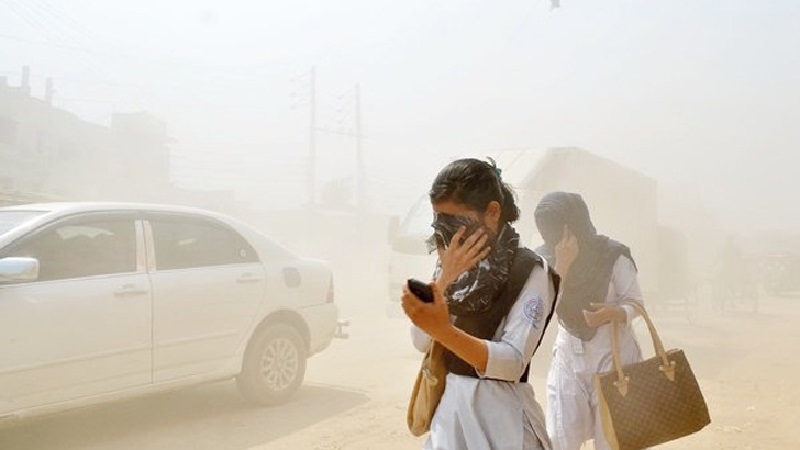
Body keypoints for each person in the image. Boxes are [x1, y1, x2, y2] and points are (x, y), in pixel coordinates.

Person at [402, 158, 559, 450]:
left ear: (492, 212)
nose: (450, 235)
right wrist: (445, 279)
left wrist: (445, 332)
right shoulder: (449, 264)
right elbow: (421, 341)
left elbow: (512, 363)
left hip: (503, 423)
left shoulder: (530, 271)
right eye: (441, 223)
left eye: (457, 223)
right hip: (450, 420)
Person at [532, 191, 645, 450]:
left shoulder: (612, 255)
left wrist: (612, 313)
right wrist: (563, 265)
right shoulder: (543, 261)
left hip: (614, 355)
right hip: (569, 356)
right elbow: (542, 308)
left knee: (613, 440)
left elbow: (635, 303)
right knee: (561, 437)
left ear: (575, 224)